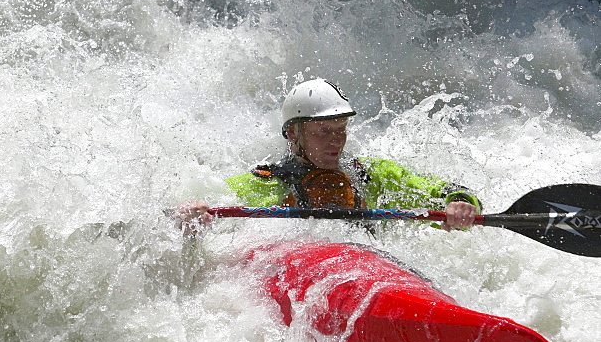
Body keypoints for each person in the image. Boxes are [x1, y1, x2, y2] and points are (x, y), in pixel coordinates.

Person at [175, 78, 481, 231]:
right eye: (324, 131)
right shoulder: (265, 184)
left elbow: (446, 190)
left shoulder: (370, 176)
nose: (337, 140)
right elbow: (208, 207)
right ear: (293, 134)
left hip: (371, 267)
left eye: (341, 129)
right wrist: (194, 215)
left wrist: (460, 204)